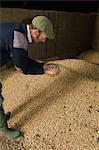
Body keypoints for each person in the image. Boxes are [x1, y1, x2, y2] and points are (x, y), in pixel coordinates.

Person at [0, 16, 60, 139]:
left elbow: (21, 57)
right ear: (35, 31)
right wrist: (43, 70)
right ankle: (3, 129)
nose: (44, 40)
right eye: (44, 36)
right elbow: (22, 67)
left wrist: (42, 66)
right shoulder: (19, 39)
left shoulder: (18, 29)